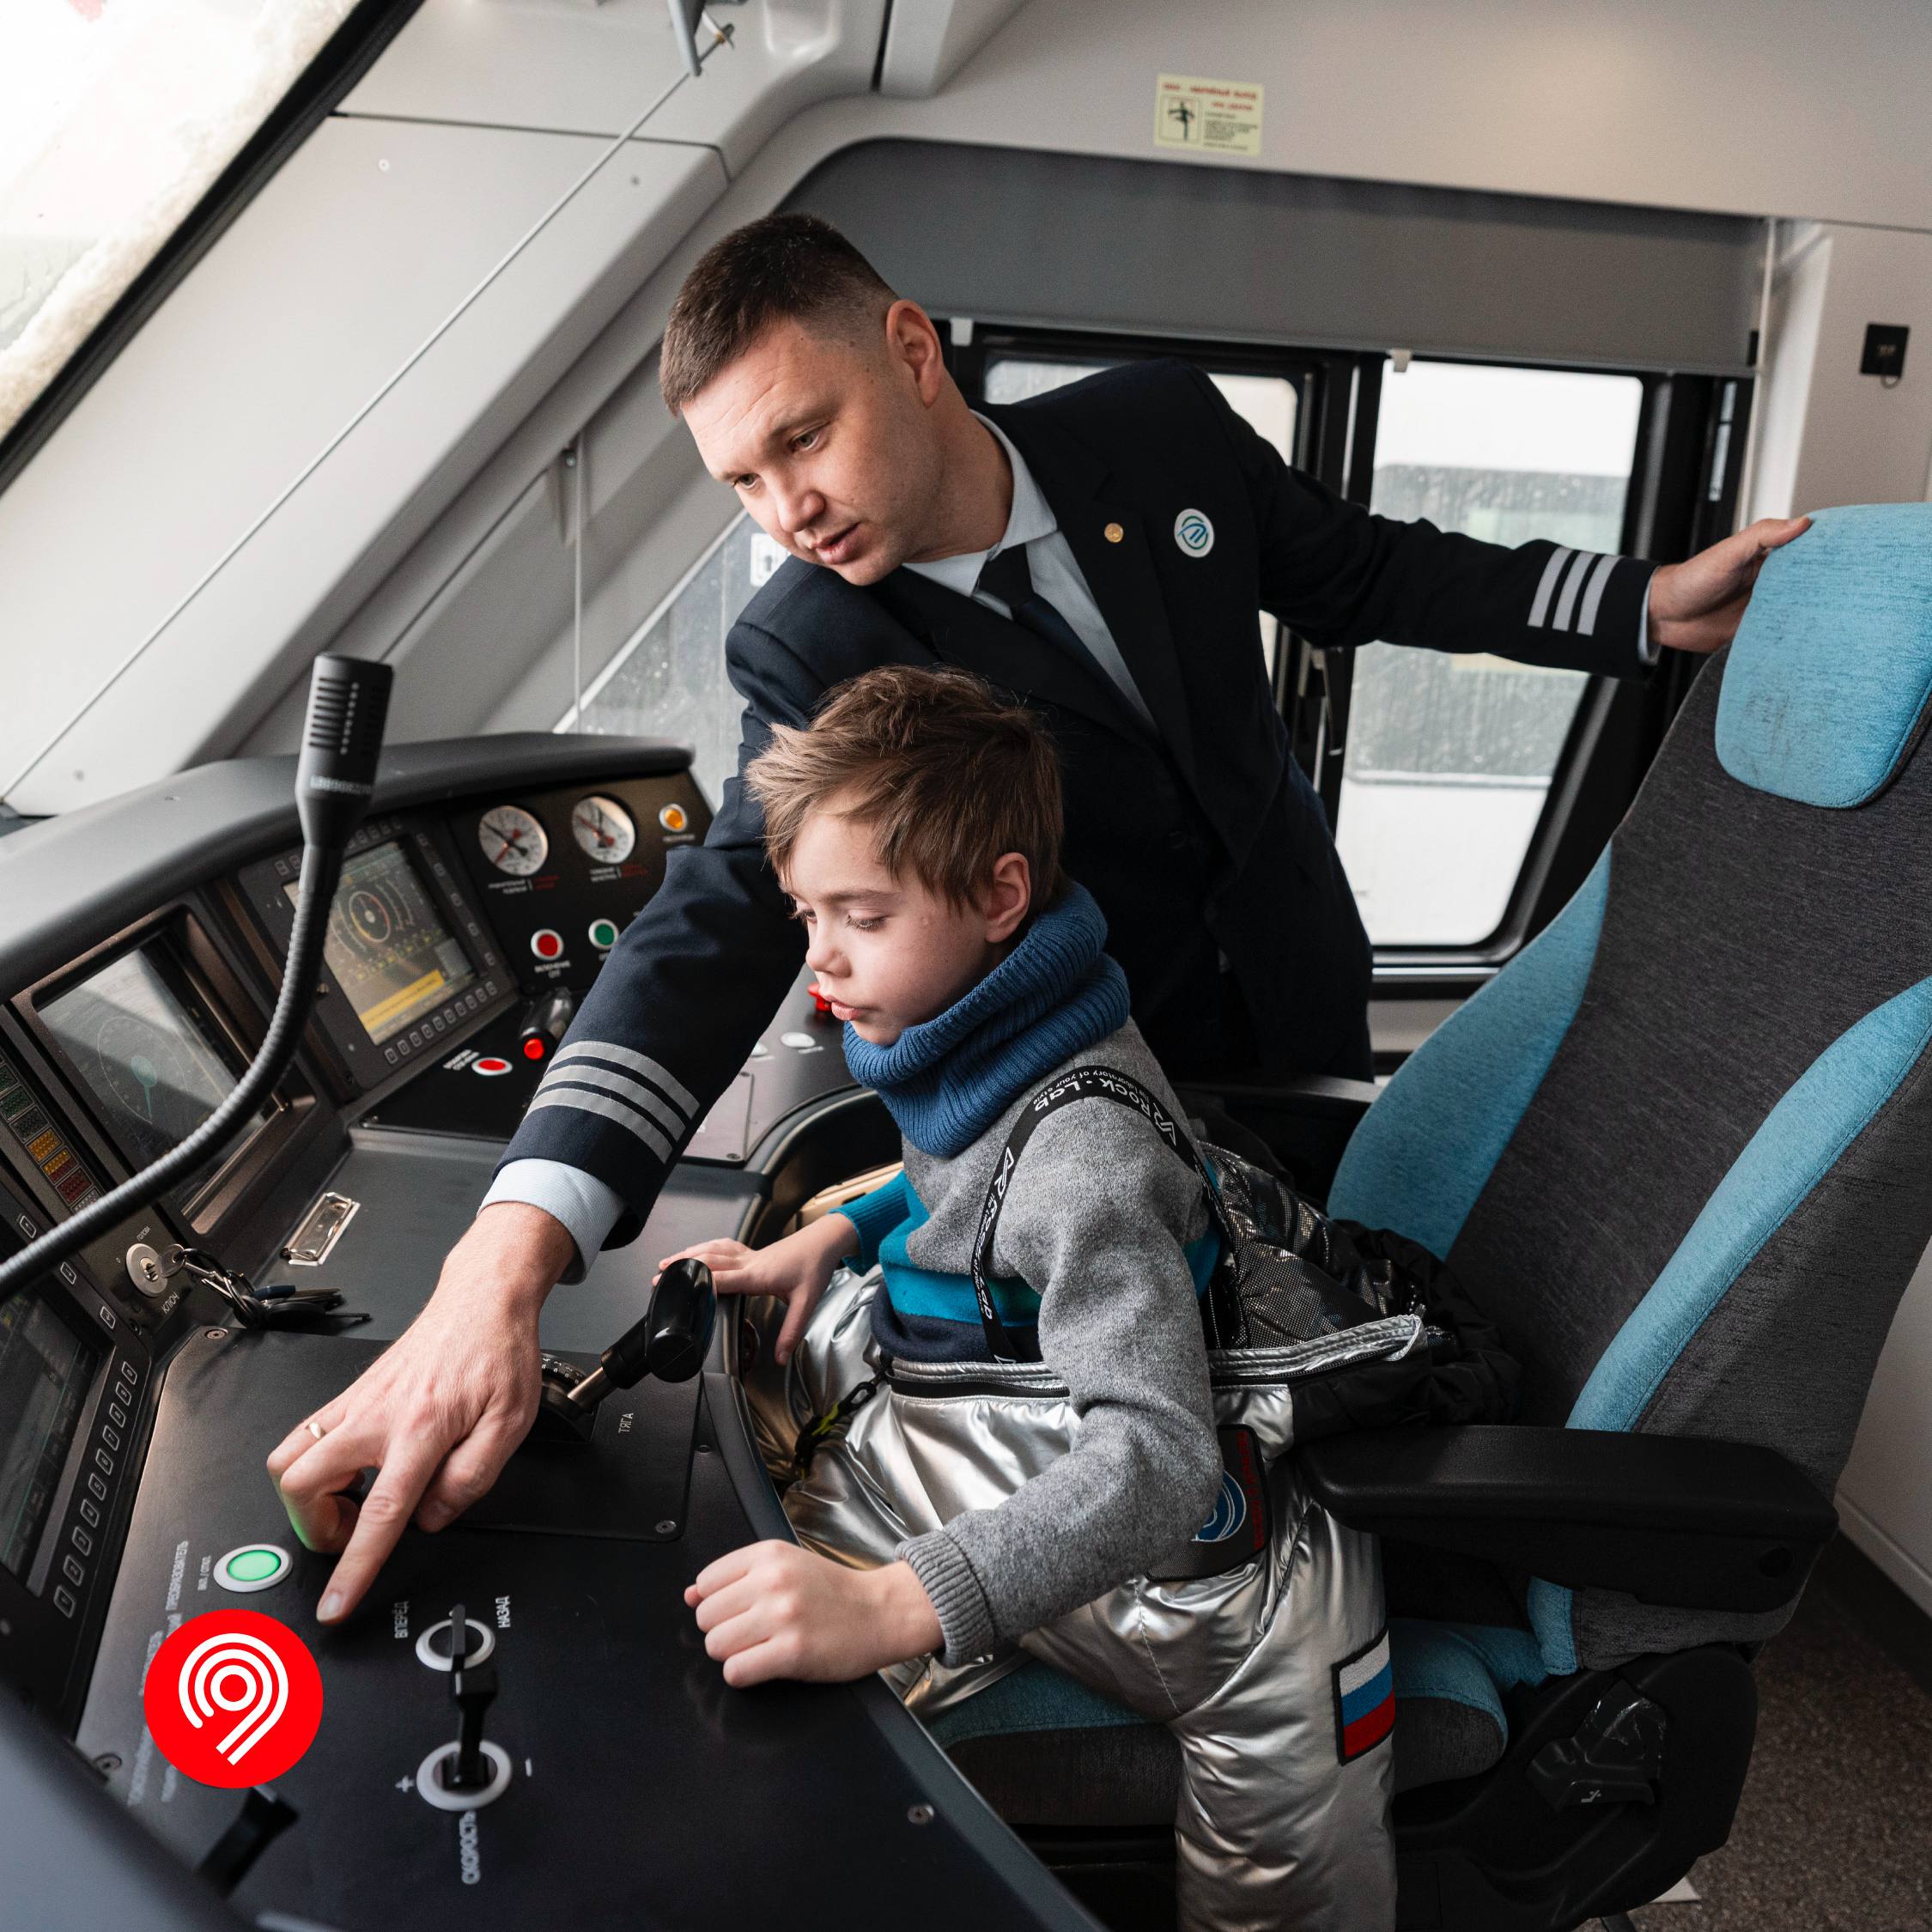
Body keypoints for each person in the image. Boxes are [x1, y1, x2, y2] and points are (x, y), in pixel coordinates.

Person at [269, 211, 1808, 1622]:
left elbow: (1359, 570)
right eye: (742, 479)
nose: (786, 508)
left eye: (803, 437)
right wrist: (503, 1262)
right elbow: (720, 913)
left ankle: (1358, 1591)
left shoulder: (1157, 429)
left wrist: (1637, 602)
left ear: (911, 350)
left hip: (1290, 974)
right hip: (1096, 1064)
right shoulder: (810, 641)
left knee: (1297, 1323)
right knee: (1156, 1369)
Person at [666, 663, 1223, 1686]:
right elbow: (973, 1182)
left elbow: (1163, 1454)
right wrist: (840, 1234)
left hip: (1040, 1498)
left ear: (1000, 897)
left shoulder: (1085, 1161)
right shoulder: (1006, 1032)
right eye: (807, 916)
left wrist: (891, 1605)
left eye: (864, 918)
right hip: (938, 1377)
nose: (821, 959)